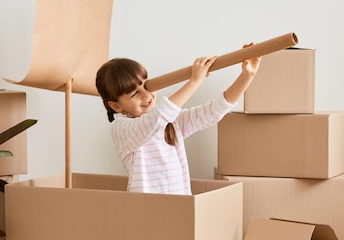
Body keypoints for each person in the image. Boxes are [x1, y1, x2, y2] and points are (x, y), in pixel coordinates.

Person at [95, 43, 261, 195]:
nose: (147, 95)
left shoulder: (172, 122)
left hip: (179, 206)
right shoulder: (121, 128)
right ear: (116, 106)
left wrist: (247, 76)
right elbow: (156, 119)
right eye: (135, 93)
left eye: (146, 86)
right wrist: (195, 81)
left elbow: (213, 112)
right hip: (145, 211)